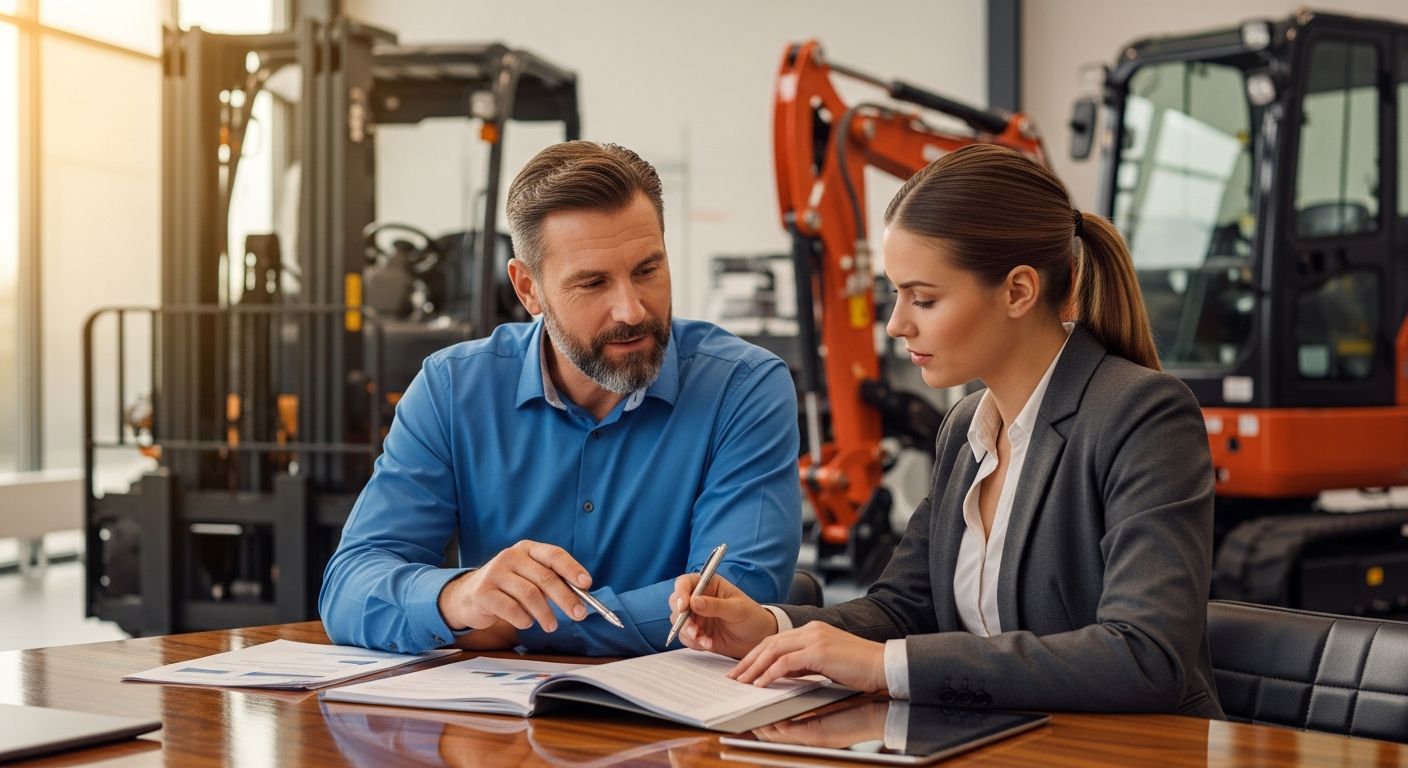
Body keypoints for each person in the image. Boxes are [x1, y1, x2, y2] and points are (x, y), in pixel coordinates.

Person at [669, 144, 1224, 718]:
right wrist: (769, 626)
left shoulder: (1143, 415)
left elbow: (1143, 656)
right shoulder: (965, 428)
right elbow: (906, 606)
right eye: (896, 294)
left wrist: (886, 667)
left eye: (924, 299)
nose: (896, 323)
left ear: (1017, 291)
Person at [320, 141, 802, 656]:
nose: (631, 310)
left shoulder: (744, 387)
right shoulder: (452, 389)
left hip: (679, 725)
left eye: (647, 270)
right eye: (593, 283)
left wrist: (507, 624)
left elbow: (733, 600)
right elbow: (349, 586)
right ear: (528, 289)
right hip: (500, 722)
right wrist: (460, 599)